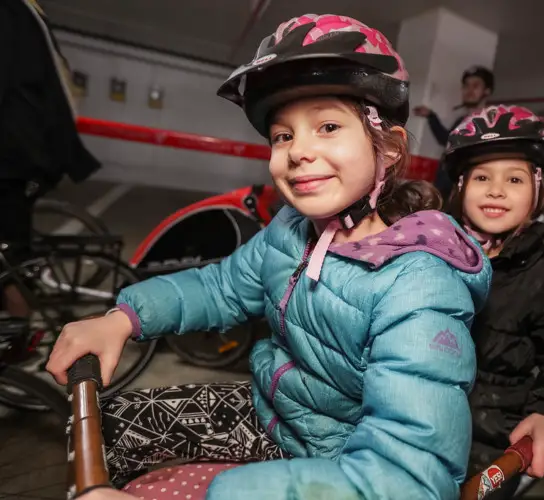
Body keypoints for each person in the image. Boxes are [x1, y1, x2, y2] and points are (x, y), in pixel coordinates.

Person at [46, 14, 493, 500]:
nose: (299, 150)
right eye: (283, 135)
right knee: (116, 428)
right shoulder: (290, 229)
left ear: (386, 147)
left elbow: (410, 476)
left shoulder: (419, 287)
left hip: (339, 461)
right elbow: (221, 288)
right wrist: (123, 319)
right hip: (273, 411)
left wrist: (227, 493)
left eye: (326, 126)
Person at [441, 104, 544, 498]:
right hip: (403, 426)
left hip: (484, 446)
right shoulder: (430, 253)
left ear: (538, 191)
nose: (496, 189)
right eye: (482, 176)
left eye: (514, 179)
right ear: (462, 186)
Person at [0, 0, 100, 321]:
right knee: (13, 243)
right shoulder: (24, 10)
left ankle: (20, 335)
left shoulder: (8, 11)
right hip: (28, 146)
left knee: (8, 254)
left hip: (16, 151)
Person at [413, 66, 494, 198]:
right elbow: (445, 140)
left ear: (487, 91)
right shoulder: (462, 120)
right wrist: (431, 116)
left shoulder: (488, 123)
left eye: (475, 86)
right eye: (466, 86)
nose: (469, 90)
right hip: (444, 190)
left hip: (462, 194)